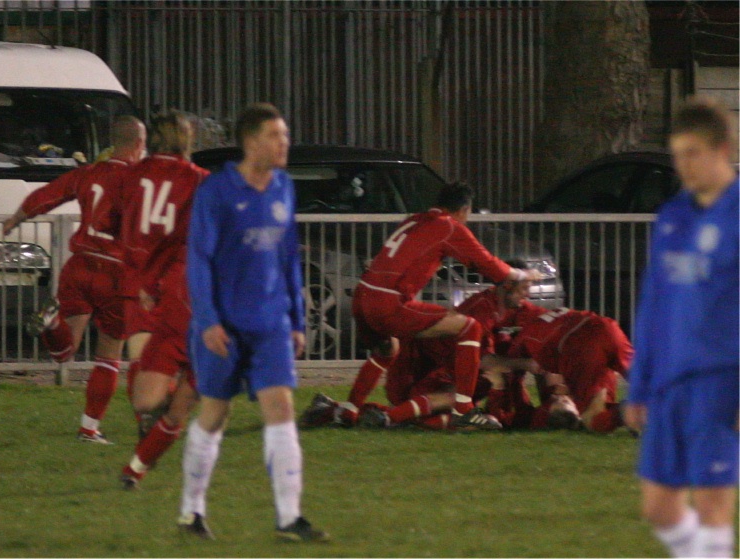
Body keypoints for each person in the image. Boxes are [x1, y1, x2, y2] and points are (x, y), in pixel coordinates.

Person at [180, 103, 328, 542]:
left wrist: (297, 319)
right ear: (250, 142)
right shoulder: (216, 192)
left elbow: (287, 257)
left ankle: (288, 517)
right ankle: (191, 511)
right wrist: (207, 319)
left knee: (281, 410)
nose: (284, 143)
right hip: (223, 326)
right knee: (214, 413)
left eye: (285, 135)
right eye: (275, 135)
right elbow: (199, 260)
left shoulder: (283, 186)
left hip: (270, 325)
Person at [623, 97, 738, 558]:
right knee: (658, 507)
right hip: (671, 380)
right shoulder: (673, 217)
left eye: (693, 153)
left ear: (723, 149)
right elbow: (655, 304)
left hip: (722, 378)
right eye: (677, 154)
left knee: (713, 503)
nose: (683, 165)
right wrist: (639, 386)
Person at [345, 186, 542, 428]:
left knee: (387, 348)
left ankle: (347, 410)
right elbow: (488, 263)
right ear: (464, 210)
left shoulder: (414, 220)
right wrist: (524, 274)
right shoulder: (447, 226)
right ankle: (464, 409)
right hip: (390, 301)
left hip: (363, 295)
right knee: (469, 327)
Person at [2, 115, 146, 443]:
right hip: (115, 273)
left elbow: (52, 193)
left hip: (79, 266)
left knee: (64, 352)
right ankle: (88, 428)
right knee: (110, 354)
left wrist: (17, 217)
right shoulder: (139, 181)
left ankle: (51, 323)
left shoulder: (89, 173)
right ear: (139, 145)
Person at [115, 110, 210, 488]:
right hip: (177, 281)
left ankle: (150, 422)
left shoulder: (131, 176)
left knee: (141, 361)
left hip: (137, 278)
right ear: (185, 140)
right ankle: (165, 409)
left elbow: (114, 220)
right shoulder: (198, 179)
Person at [505, 306, 634, 433]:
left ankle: (635, 410)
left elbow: (511, 380)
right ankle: (648, 412)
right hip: (608, 327)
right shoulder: (550, 316)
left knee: (592, 419)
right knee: (643, 380)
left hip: (581, 345)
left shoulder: (524, 339)